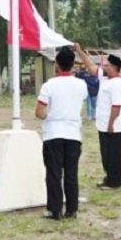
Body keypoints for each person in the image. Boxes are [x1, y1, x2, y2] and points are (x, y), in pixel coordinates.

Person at [36, 47, 87, 220]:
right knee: (71, 172)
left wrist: (48, 116)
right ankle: (72, 209)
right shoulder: (81, 84)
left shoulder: (49, 85)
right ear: (73, 64)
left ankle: (55, 209)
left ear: (56, 64)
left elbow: (39, 111)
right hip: (73, 133)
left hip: (53, 133)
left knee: (54, 173)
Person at [76, 44, 121, 190]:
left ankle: (115, 182)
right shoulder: (105, 79)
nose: (105, 67)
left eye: (108, 65)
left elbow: (116, 106)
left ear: (115, 68)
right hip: (103, 124)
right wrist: (80, 51)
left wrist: (111, 124)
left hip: (112, 126)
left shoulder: (116, 83)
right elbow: (91, 67)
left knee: (113, 155)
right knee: (105, 154)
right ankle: (108, 178)